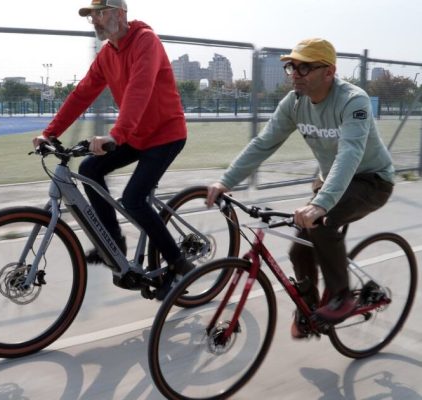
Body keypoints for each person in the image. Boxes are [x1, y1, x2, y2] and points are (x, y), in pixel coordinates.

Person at [205, 38, 395, 338]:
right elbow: (263, 143)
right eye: (291, 66)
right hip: (330, 182)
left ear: (329, 72)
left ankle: (341, 295)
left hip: (371, 180)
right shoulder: (294, 102)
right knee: (298, 249)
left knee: (321, 223)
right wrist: (225, 180)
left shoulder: (352, 100)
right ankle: (309, 313)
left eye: (304, 67)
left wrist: (322, 203)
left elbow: (350, 153)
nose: (295, 73)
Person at [33, 0, 193, 297]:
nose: (95, 20)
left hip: (165, 134)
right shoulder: (108, 54)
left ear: (121, 14)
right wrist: (49, 133)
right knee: (90, 168)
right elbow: (82, 93)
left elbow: (139, 89)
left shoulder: (146, 42)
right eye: (91, 15)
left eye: (101, 13)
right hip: (136, 135)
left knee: (133, 199)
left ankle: (180, 263)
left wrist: (116, 135)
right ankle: (114, 242)